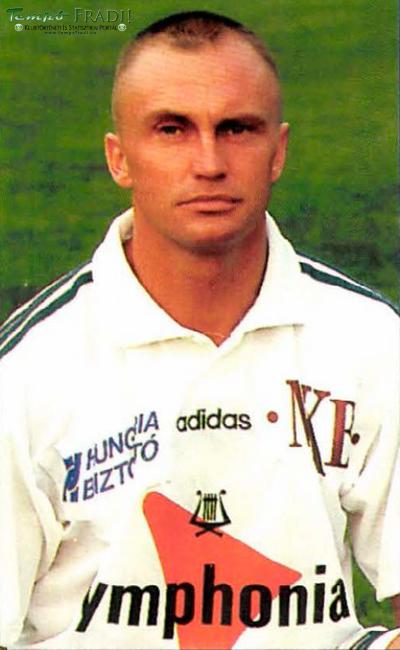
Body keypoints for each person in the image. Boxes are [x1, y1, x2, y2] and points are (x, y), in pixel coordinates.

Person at [0, 10, 399, 650]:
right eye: (172, 130)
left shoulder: (372, 342)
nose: (209, 162)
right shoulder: (27, 372)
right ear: (119, 158)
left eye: (236, 129)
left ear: (278, 151)